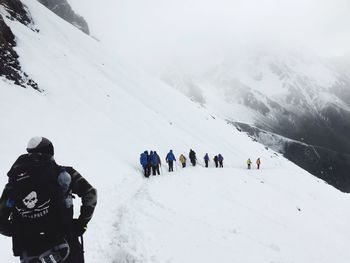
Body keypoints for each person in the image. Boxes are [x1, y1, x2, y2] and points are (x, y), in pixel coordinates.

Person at [0, 137, 97, 263]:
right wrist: (82, 223)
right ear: (51, 153)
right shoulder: (64, 174)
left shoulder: (15, 182)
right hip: (65, 245)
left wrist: (20, 231)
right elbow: (91, 194)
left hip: (30, 253)